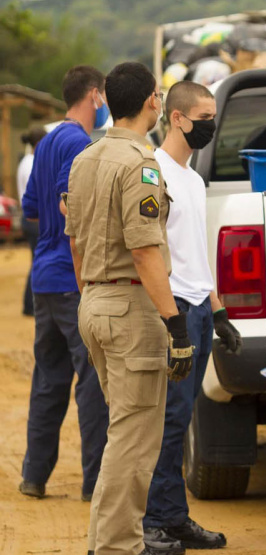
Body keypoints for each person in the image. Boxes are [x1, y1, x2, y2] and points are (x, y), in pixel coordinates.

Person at [66, 61, 195, 555]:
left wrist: (91, 296)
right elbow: (144, 250)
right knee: (135, 440)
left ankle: (107, 542)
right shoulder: (142, 164)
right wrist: (176, 325)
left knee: (123, 432)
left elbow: (75, 240)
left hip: (95, 300)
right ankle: (118, 547)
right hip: (128, 306)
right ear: (152, 103)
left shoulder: (86, 158)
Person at [142, 81, 240, 553]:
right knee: (166, 419)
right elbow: (148, 251)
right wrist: (173, 321)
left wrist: (218, 312)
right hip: (175, 310)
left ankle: (174, 517)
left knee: (182, 418)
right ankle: (153, 522)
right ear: (177, 118)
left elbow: (197, 253)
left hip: (200, 308)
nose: (210, 125)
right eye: (203, 117)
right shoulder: (154, 172)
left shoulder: (195, 180)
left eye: (213, 117)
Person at [18, 67, 110, 504]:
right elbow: (65, 204)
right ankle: (95, 483)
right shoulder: (78, 143)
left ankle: (34, 476)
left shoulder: (48, 142)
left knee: (48, 379)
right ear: (94, 95)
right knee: (92, 380)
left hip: (44, 278)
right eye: (104, 96)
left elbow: (31, 210)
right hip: (73, 279)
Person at [18, 126, 47, 316]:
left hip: (29, 217)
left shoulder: (26, 161)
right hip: (34, 219)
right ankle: (30, 304)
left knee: (36, 261)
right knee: (38, 262)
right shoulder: (31, 163)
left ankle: (30, 304)